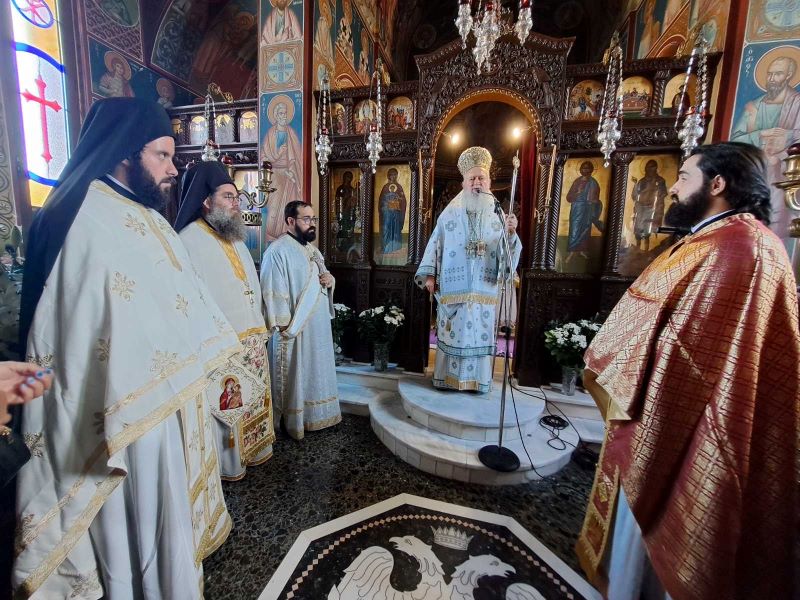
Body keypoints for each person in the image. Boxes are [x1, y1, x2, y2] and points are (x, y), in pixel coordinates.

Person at [13, 98, 241, 598]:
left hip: (166, 406)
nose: (173, 168)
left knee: (166, 524)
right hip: (116, 411)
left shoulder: (149, 218)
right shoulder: (80, 217)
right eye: (162, 155)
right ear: (124, 153)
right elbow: (65, 325)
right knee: (128, 526)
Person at [575, 142, 800, 600]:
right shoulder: (711, 239)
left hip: (685, 421)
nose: (673, 188)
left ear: (717, 184)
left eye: (683, 177)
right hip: (655, 404)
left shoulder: (744, 249)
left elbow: (705, 354)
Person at [175, 160, 275, 481]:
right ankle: (231, 464)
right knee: (229, 405)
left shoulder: (235, 237)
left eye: (237, 197)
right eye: (229, 197)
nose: (237, 203)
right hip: (222, 347)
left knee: (253, 400)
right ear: (207, 200)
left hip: (251, 341)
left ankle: (256, 450)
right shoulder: (188, 240)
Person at [415, 147, 521, 393]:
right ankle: (447, 380)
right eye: (471, 178)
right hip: (454, 287)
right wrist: (430, 275)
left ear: (489, 182)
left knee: (479, 335)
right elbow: (436, 241)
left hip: (483, 287)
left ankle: (477, 382)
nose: (476, 182)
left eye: (481, 178)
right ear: (463, 182)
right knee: (454, 332)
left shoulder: (497, 213)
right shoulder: (450, 212)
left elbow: (505, 253)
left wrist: (511, 234)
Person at [260, 201, 341, 439]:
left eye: (313, 219)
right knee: (296, 374)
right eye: (306, 219)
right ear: (290, 221)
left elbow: (322, 279)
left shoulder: (314, 251)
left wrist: (330, 281)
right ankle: (295, 420)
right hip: (294, 329)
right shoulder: (277, 251)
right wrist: (285, 326)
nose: (311, 224)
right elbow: (271, 289)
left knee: (315, 370)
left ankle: (318, 415)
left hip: (318, 328)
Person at [731, 55, 800, 241]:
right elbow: (736, 140)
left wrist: (784, 141)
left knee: (777, 225)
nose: (772, 78)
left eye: (778, 74)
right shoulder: (754, 106)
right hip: (754, 175)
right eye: (769, 74)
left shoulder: (797, 104)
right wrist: (762, 134)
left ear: (789, 76)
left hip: (783, 176)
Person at [262, 98, 303, 241]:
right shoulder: (270, 134)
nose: (283, 116)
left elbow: (295, 157)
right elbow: (264, 157)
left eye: (285, 113)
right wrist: (278, 153)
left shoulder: (291, 133)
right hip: (274, 175)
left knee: (288, 207)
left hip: (289, 174)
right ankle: (272, 237)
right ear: (275, 115)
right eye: (280, 113)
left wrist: (291, 171)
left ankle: (288, 236)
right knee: (274, 207)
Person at [565, 161, 604, 264]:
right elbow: (569, 197)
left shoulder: (594, 183)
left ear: (591, 170)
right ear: (580, 169)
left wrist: (593, 203)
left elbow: (596, 198)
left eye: (587, 168)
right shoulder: (577, 182)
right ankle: (572, 252)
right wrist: (577, 193)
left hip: (588, 209)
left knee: (586, 229)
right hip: (577, 209)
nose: (585, 170)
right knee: (574, 229)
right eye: (583, 168)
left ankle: (582, 250)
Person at [631, 159, 668, 252]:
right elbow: (635, 196)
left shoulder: (660, 181)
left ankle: (646, 251)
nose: (649, 169)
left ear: (655, 168)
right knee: (638, 230)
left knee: (647, 229)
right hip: (640, 208)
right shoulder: (642, 181)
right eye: (647, 167)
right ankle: (637, 250)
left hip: (651, 209)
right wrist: (635, 185)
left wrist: (655, 197)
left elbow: (663, 193)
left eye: (652, 167)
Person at [378, 168, 407, 255]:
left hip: (396, 213)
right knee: (386, 228)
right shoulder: (385, 187)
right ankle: (386, 246)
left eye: (395, 174)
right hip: (387, 213)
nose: (393, 176)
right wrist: (387, 204)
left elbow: (403, 200)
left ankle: (395, 247)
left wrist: (398, 201)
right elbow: (381, 201)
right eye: (391, 174)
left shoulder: (399, 187)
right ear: (388, 176)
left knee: (396, 228)